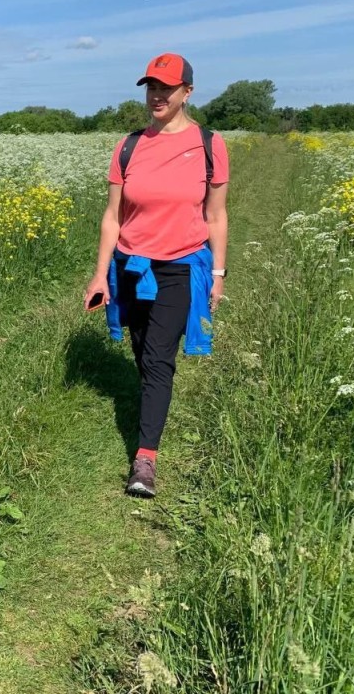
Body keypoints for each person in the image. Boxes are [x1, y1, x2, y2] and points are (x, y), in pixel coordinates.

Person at [82, 53, 229, 498]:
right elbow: (112, 216)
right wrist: (99, 276)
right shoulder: (128, 146)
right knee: (143, 351)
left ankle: (145, 459)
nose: (157, 95)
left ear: (187, 91)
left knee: (159, 358)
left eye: (167, 87)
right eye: (151, 87)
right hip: (130, 264)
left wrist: (218, 272)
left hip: (180, 265)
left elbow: (216, 215)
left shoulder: (209, 143)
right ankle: (151, 403)